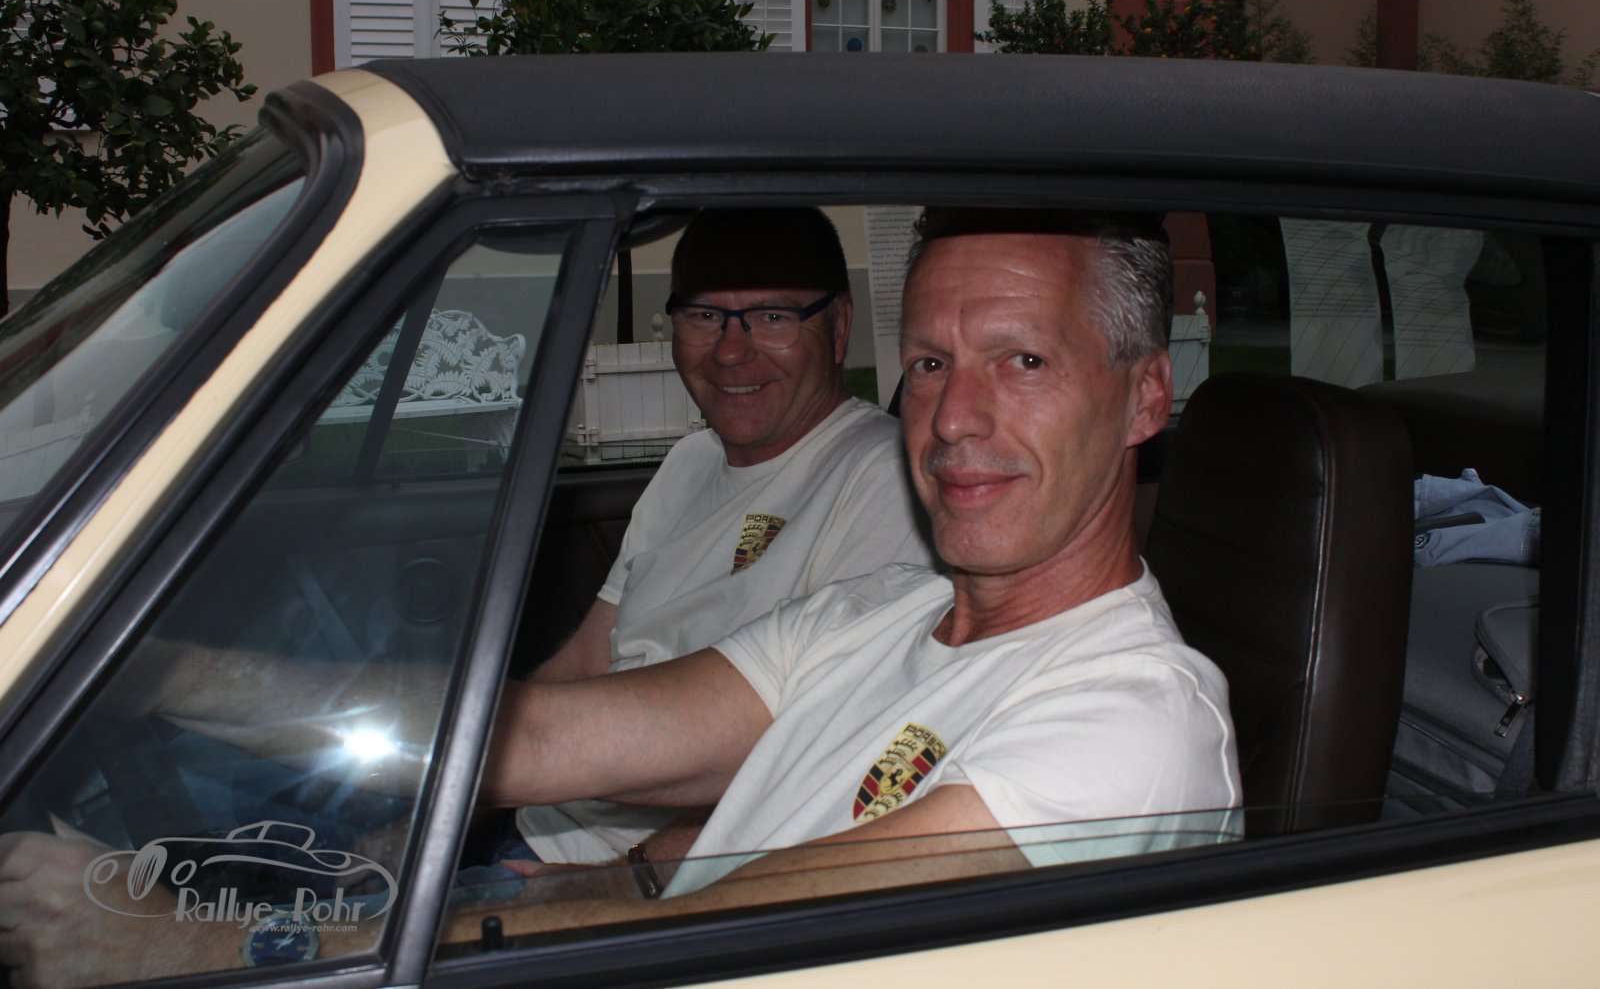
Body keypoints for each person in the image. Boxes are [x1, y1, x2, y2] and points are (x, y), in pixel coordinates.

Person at [0, 207, 1239, 980]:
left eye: (1023, 360)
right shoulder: (879, 616)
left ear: (1145, 394)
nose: (955, 416)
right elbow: (540, 733)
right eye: (928, 361)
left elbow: (730, 922)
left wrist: (202, 943)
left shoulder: (1132, 719)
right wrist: (161, 672)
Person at [515, 206, 934, 867]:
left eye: (772, 316)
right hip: (538, 814)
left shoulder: (885, 480)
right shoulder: (689, 460)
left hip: (630, 870)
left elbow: (818, 761)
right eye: (705, 315)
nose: (730, 350)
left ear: (838, 327)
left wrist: (627, 882)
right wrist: (457, 796)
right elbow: (587, 658)